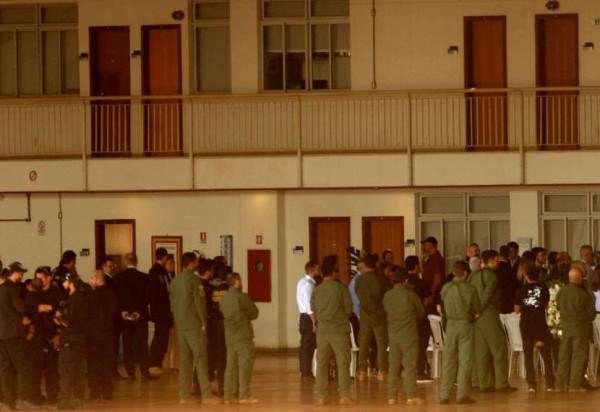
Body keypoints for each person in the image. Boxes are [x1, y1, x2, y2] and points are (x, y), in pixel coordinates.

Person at [170, 252, 221, 405]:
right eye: (196, 262)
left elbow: (172, 302)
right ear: (191, 263)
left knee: (184, 360)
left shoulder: (175, 280)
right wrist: (203, 322)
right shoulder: (194, 280)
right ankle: (206, 394)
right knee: (201, 358)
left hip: (181, 325)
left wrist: (178, 320)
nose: (198, 264)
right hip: (194, 325)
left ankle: (184, 395)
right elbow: (199, 302)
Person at [311, 255, 357, 406]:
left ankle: (322, 396)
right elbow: (348, 309)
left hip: (322, 331)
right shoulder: (340, 288)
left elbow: (313, 308)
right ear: (333, 271)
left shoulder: (317, 289)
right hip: (339, 330)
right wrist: (340, 318)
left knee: (322, 362)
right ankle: (344, 395)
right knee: (342, 361)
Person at [468, 250, 515, 392]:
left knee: (480, 351)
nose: (498, 263)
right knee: (499, 348)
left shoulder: (473, 275)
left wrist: (472, 312)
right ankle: (501, 383)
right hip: (488, 314)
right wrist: (479, 310)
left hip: (475, 318)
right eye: (496, 260)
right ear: (490, 260)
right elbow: (487, 295)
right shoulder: (491, 276)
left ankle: (482, 383)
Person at [439, 261, 481, 405]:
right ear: (465, 273)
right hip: (465, 325)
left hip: (450, 325)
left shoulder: (446, 288)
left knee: (448, 360)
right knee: (465, 360)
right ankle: (461, 395)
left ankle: (444, 395)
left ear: (453, 272)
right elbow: (477, 309)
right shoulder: (470, 289)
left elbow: (442, 304)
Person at [383, 266, 425, 405]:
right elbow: (420, 313)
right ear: (406, 280)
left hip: (393, 334)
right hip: (409, 334)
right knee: (409, 365)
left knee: (393, 365)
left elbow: (385, 311)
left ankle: (391, 396)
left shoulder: (387, 296)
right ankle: (411, 395)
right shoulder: (411, 295)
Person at [0, 262, 38, 410]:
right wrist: (34, 308)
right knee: (23, 367)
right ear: (15, 273)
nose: (22, 276)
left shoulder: (1, 289)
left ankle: (8, 401)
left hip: (1, 334)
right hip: (14, 334)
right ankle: (23, 398)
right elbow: (21, 308)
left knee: (5, 368)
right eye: (21, 274)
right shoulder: (13, 289)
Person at [113, 253, 155, 381]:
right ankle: (144, 371)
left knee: (127, 344)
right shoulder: (144, 277)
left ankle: (130, 372)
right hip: (140, 316)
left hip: (125, 316)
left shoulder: (118, 278)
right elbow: (148, 297)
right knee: (142, 344)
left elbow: (115, 297)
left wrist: (122, 311)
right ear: (136, 262)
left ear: (125, 262)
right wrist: (139, 311)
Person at [514, 267, 555, 392]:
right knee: (546, 355)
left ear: (526, 277)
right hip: (540, 324)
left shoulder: (521, 290)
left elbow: (517, 310)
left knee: (528, 355)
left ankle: (531, 385)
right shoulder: (544, 288)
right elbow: (546, 306)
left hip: (526, 325)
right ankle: (550, 384)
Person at [556, 266, 597, 392]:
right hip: (580, 329)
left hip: (566, 329)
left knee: (564, 357)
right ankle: (574, 385)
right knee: (578, 357)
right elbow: (591, 314)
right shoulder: (583, 294)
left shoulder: (561, 292)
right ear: (579, 279)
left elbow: (557, 306)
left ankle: (561, 384)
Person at [221, 272, 259, 405]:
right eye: (240, 280)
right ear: (237, 281)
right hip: (243, 335)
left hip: (229, 336)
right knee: (245, 365)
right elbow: (254, 313)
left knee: (230, 366)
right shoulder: (242, 297)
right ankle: (244, 394)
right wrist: (244, 315)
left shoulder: (224, 298)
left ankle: (228, 395)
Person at [56, 272, 89, 410]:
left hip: (69, 341)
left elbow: (67, 321)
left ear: (71, 283)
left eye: (65, 282)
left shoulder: (73, 300)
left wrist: (58, 318)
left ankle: (64, 401)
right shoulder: (83, 298)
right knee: (78, 371)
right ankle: (78, 399)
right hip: (80, 340)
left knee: (66, 371)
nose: (63, 284)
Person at [355, 254, 389, 382]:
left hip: (365, 315)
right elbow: (386, 296)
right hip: (379, 315)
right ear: (374, 265)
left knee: (364, 343)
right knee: (381, 344)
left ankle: (362, 371)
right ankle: (382, 371)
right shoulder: (380, 279)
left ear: (365, 265)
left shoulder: (359, 280)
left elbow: (359, 295)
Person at [87, 270, 119, 402]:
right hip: (109, 335)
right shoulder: (112, 295)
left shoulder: (90, 296)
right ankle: (107, 393)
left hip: (93, 336)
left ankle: (94, 392)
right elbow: (115, 314)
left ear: (97, 279)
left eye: (91, 278)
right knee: (107, 364)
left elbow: (87, 316)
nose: (90, 281)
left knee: (94, 365)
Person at [33, 267, 61, 405]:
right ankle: (37, 395)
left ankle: (53, 396)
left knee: (52, 368)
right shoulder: (33, 294)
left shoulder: (56, 294)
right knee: (36, 368)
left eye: (42, 279)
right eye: (37, 278)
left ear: (49, 278)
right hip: (37, 335)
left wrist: (58, 334)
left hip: (52, 334)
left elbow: (60, 314)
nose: (39, 281)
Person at [404, 256, 433, 381]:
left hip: (405, 320)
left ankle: (407, 371)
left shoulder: (403, 283)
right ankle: (420, 371)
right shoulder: (421, 283)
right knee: (421, 345)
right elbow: (428, 300)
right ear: (416, 266)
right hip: (420, 320)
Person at [148, 247, 172, 376]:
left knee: (163, 337)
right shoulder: (154, 272)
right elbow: (158, 292)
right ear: (164, 258)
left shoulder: (162, 271)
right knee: (159, 337)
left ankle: (157, 362)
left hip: (164, 310)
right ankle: (154, 363)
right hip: (159, 310)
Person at [296, 261, 318, 382]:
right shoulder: (309, 285)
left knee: (305, 345)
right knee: (308, 346)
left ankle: (304, 371)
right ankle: (306, 372)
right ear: (312, 270)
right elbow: (309, 306)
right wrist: (314, 321)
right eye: (317, 269)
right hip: (308, 317)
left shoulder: (301, 281)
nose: (319, 272)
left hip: (303, 316)